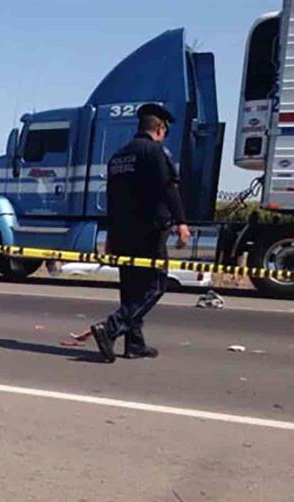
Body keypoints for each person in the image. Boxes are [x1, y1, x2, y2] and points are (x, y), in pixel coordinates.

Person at [91, 103, 191, 363]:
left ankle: (134, 344)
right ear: (159, 128)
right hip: (150, 231)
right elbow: (168, 188)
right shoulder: (154, 152)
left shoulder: (119, 156)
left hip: (123, 232)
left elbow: (112, 199)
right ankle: (111, 327)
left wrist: (111, 236)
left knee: (131, 288)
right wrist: (181, 223)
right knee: (156, 285)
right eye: (165, 131)